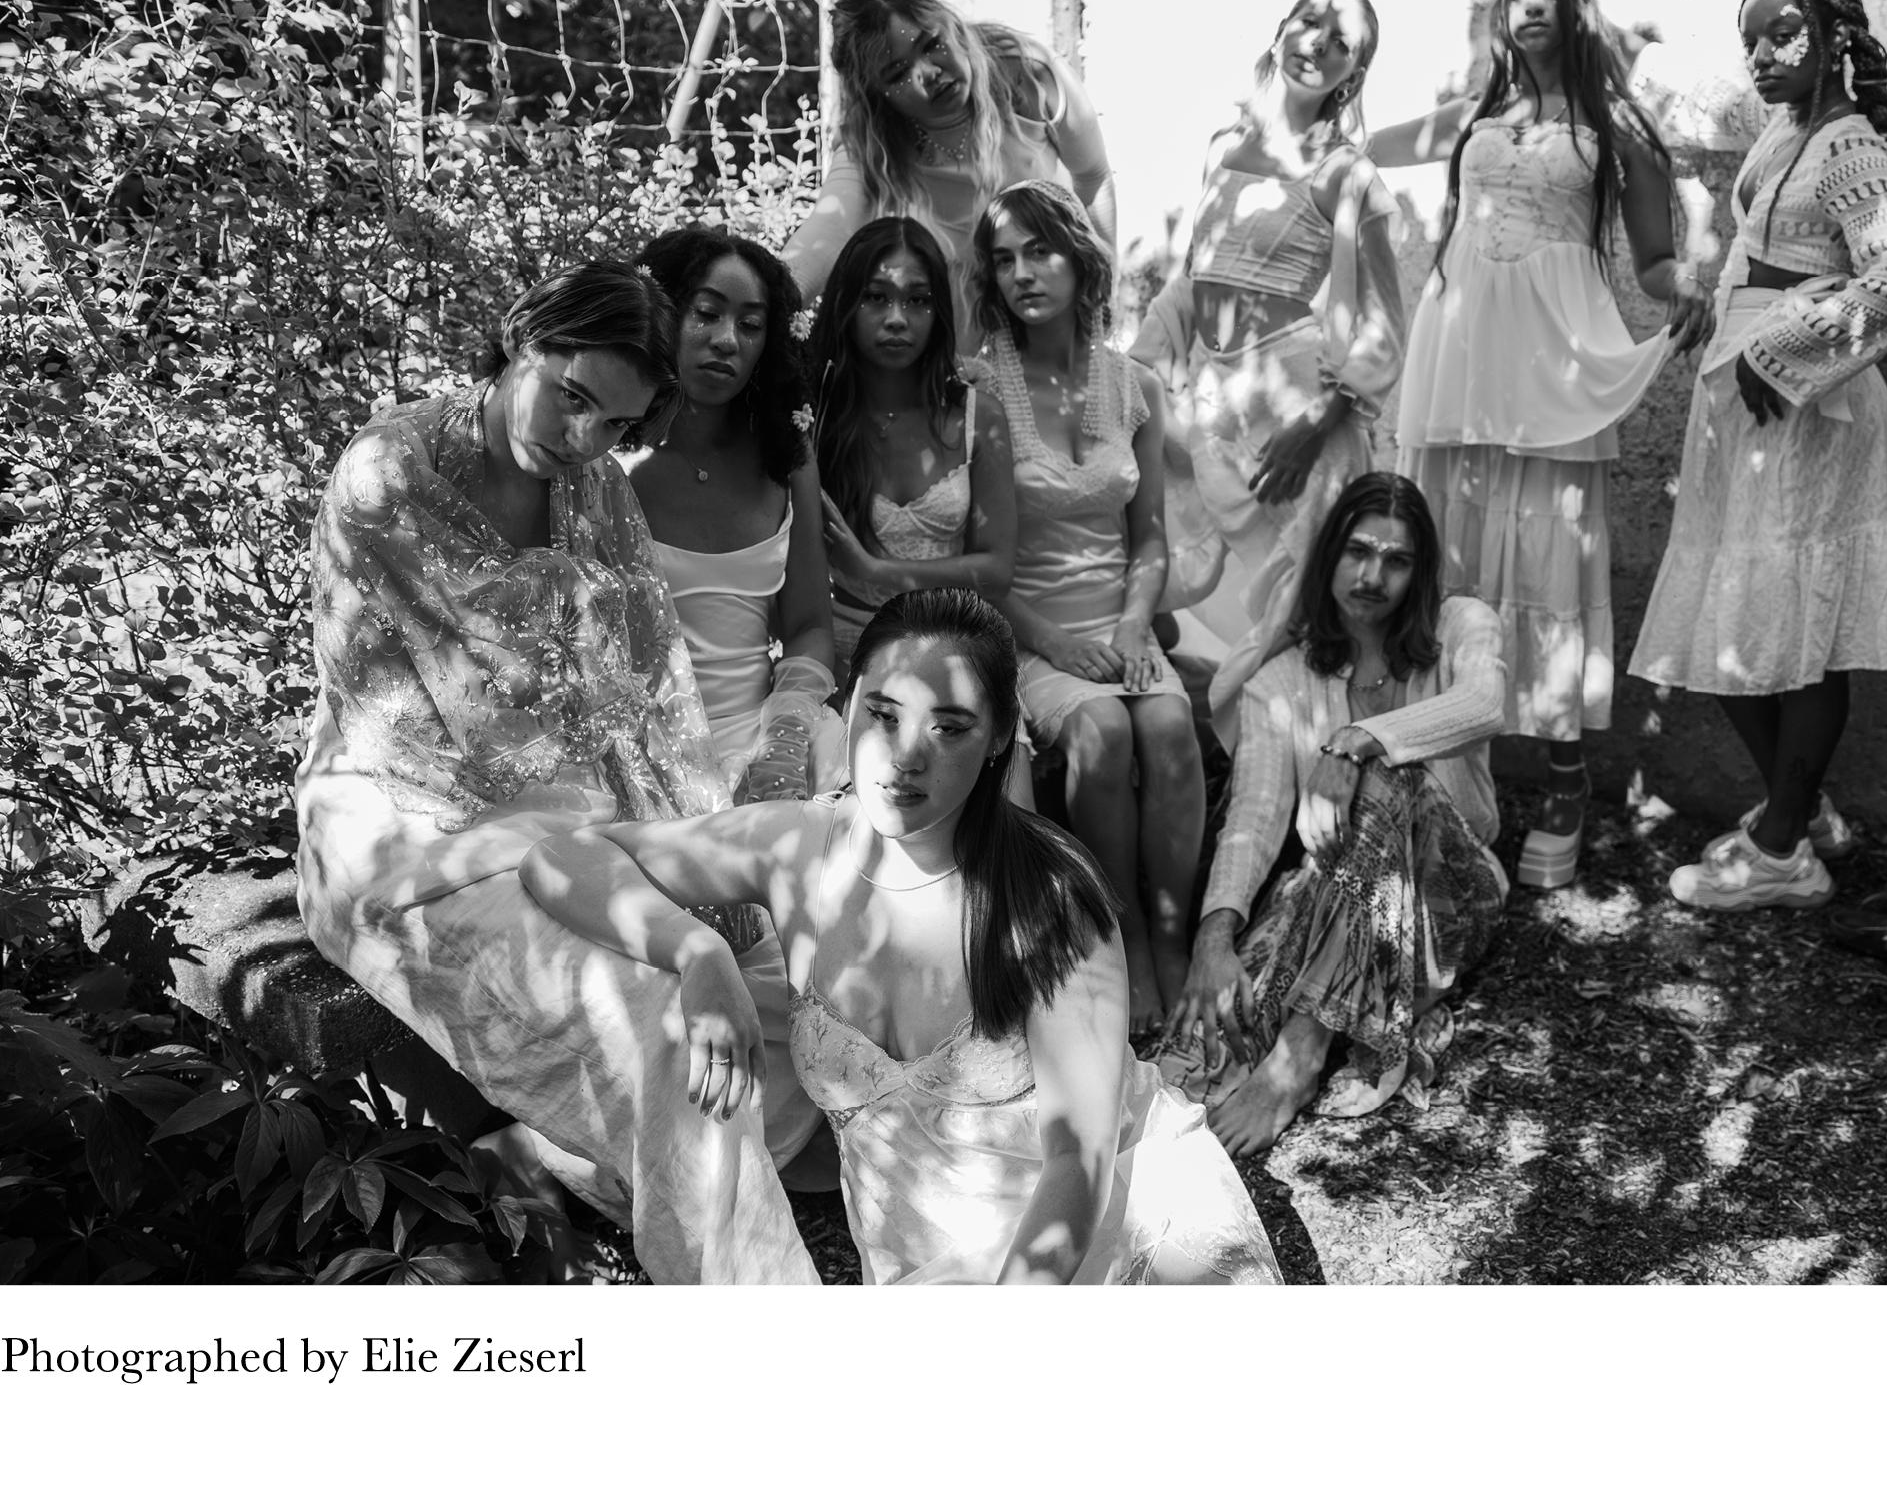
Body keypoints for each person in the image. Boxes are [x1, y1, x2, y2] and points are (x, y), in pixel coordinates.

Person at [294, 260, 820, 1285]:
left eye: (612, 424)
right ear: (521, 336)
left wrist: (701, 852)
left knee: (792, 987)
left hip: (575, 810)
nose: (579, 437)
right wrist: (669, 914)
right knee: (661, 1013)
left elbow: (646, 696)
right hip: (409, 825)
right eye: (570, 396)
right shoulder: (388, 472)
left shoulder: (596, 488)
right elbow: (480, 726)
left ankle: (557, 1159)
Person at [517, 590, 1281, 1285]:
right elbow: (561, 857)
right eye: (882, 713)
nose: (906, 754)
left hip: (1097, 1233)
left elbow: (1074, 1169)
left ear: (998, 738)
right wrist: (697, 953)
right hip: (920, 1256)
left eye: (948, 727)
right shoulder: (795, 847)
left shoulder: (1050, 899)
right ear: (846, 706)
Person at [1391, 0, 1706, 889]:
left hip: (1553, 364)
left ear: (1579, 8)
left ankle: (1567, 786)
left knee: (1549, 563)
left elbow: (1652, 259)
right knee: (1448, 558)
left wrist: (1684, 283)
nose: (1531, 2)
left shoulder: (1617, 124)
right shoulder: (1474, 116)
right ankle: (1444, 774)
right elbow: (1360, 146)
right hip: (1459, 357)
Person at [1631, 0, 1887, 910]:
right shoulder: (1788, 129)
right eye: (1750, 42)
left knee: (1795, 628)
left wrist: (1781, 349)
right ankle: (1797, 810)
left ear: (1834, 40)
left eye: (1782, 35)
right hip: (1746, 415)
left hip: (1805, 415)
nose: (1761, 56)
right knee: (1732, 622)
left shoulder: (1848, 149)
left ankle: (1777, 854)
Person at [1165, 473, 1508, 1160]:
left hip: (1452, 892)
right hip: (1339, 894)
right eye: (1358, 551)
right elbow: (1255, 817)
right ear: (1328, 555)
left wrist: (1356, 742)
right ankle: (1306, 1026)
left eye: (1396, 560)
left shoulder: (1461, 625)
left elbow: (1484, 704)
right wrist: (1213, 938)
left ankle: (1299, 1059)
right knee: (1208, 1042)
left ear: (1420, 571)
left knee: (1386, 776)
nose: (1372, 576)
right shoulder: (1280, 680)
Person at [1133, 0, 1406, 720]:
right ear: (1281, 27)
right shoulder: (1223, 148)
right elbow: (1196, 276)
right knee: (1184, 561)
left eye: (1341, 41)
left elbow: (1385, 318)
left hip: (1297, 413)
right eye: (1309, 21)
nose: (1318, 42)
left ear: (1353, 73)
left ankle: (1325, 763)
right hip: (1216, 402)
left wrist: (1319, 419)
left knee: (1309, 606)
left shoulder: (1347, 174)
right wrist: (1139, 365)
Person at [977, 179, 1203, 1031]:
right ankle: (1123, 933)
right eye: (1004, 259)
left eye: (1039, 251)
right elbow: (983, 563)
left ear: (1079, 259)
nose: (1022, 274)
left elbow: (1150, 537)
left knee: (1170, 725)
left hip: (1122, 621)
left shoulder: (1134, 385)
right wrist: (1057, 646)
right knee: (1103, 729)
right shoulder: (982, 388)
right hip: (1030, 628)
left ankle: (1174, 936)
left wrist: (1134, 626)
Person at [630, 227, 844, 805]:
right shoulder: (604, 455)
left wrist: (787, 736)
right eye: (706, 314)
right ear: (661, 313)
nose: (727, 340)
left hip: (761, 738)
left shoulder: (786, 456)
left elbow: (809, 627)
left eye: (750, 325)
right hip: (635, 749)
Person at [782, 0, 1116, 317]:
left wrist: (1104, 291)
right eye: (898, 74)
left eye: (931, 44)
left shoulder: (1026, 74)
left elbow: (1093, 177)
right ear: (878, 96)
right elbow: (829, 230)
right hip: (954, 318)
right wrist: (770, 302)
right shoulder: (871, 134)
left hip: (1044, 305)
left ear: (951, 24)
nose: (927, 73)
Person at [805, 214, 1019, 668]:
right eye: (876, 297)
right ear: (846, 302)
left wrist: (875, 570)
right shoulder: (816, 416)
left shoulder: (978, 416)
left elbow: (997, 571)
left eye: (918, 300)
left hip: (951, 650)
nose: (897, 319)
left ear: (938, 311)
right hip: (840, 647)